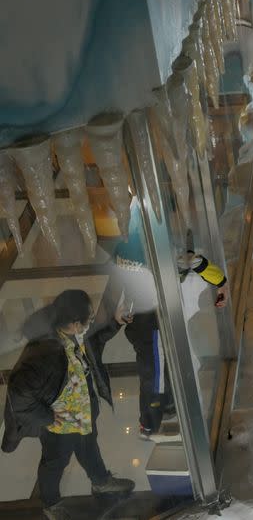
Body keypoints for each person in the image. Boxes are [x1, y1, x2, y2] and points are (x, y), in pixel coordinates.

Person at [2, 290, 135, 520]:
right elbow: (18, 394)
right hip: (59, 426)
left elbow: (94, 340)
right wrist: (47, 418)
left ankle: (101, 481)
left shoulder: (73, 333)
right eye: (89, 318)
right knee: (54, 463)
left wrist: (115, 322)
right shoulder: (45, 353)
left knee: (89, 449)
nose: (92, 321)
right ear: (74, 324)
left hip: (82, 414)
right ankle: (51, 503)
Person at [112, 204, 229, 441]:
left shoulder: (123, 247)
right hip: (154, 322)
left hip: (142, 319)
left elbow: (120, 280)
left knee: (160, 368)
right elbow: (197, 263)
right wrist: (222, 283)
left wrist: (119, 306)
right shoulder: (166, 254)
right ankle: (149, 425)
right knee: (154, 374)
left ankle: (166, 407)